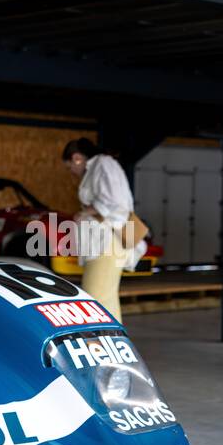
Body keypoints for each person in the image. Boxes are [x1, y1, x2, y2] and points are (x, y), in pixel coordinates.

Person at [61, 137, 139, 322]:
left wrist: (84, 213)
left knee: (95, 299)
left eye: (69, 166)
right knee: (106, 298)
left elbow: (113, 201)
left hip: (107, 242)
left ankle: (100, 344)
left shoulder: (103, 164)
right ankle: (113, 344)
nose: (71, 171)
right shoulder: (101, 166)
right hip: (105, 242)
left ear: (77, 157)